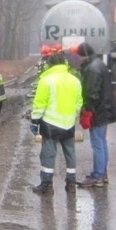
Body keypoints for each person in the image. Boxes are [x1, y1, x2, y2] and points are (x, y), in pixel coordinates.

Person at [30, 49, 83, 194]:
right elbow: (79, 102)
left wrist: (35, 121)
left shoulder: (46, 80)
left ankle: (47, 185)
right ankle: (71, 183)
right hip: (69, 123)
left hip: (50, 123)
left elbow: (40, 103)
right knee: (70, 153)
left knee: (48, 153)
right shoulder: (75, 81)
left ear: (50, 64)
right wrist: (72, 116)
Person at [76, 42, 116, 187]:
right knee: (102, 141)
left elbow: (90, 92)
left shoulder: (92, 69)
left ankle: (98, 175)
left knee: (97, 143)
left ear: (83, 55)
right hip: (104, 109)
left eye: (78, 56)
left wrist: (87, 111)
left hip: (98, 111)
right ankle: (102, 173)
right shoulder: (98, 63)